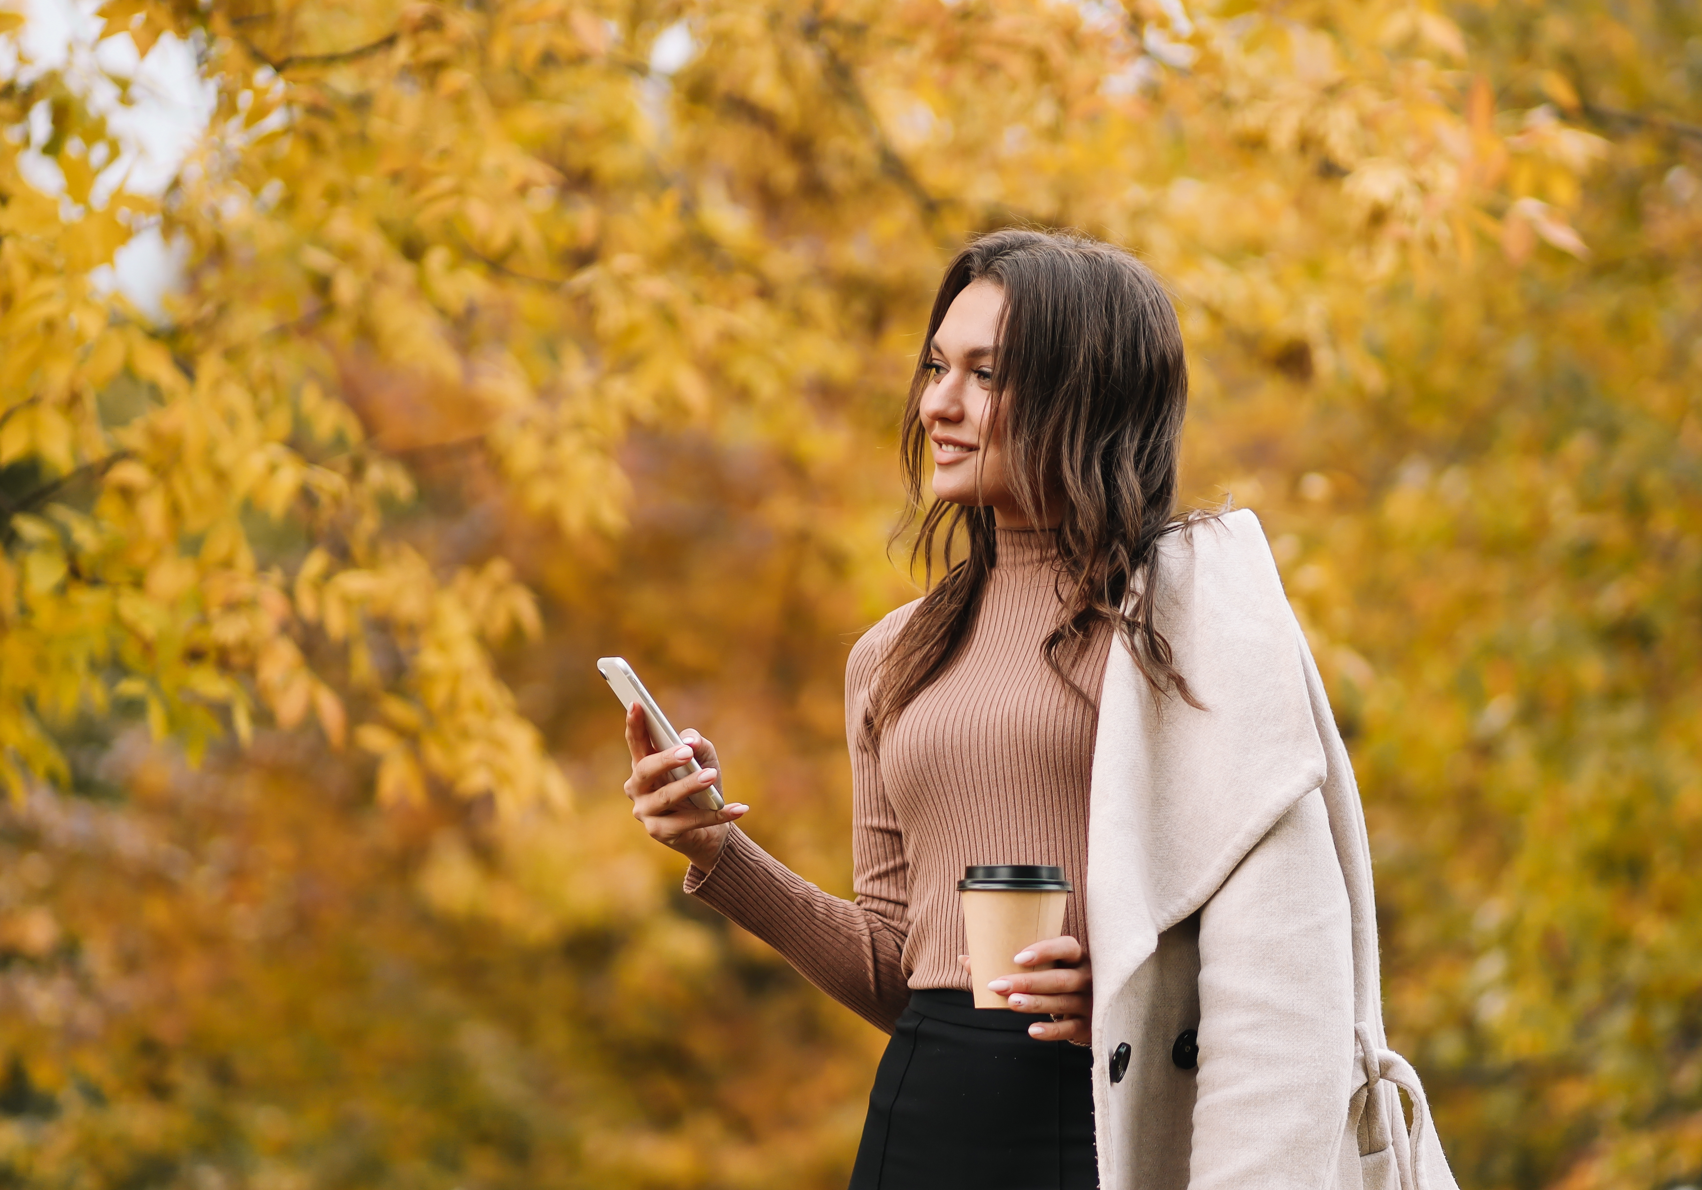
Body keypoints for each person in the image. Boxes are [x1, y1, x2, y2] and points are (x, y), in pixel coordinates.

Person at [621, 230, 1461, 1190]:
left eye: (985, 375)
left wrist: (1129, 992)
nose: (938, 403)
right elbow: (898, 969)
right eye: (936, 367)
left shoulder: (1185, 627)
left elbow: (1272, 959)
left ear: (1084, 394)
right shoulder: (892, 657)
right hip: (921, 1117)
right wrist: (716, 853)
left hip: (1097, 1121)